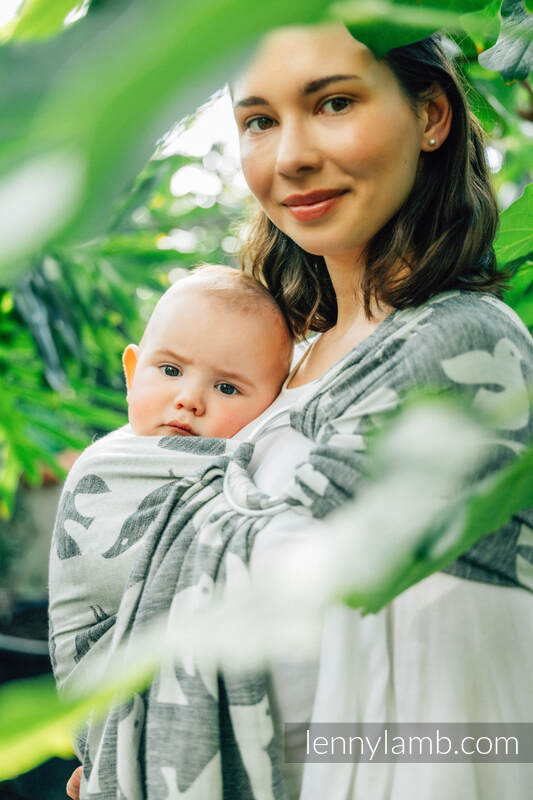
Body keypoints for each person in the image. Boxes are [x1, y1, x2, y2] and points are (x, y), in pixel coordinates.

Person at [62, 22, 532, 800]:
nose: (290, 157)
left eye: (334, 103)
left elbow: (440, 694)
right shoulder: (285, 363)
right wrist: (130, 748)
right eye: (258, 121)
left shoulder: (461, 353)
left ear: (430, 115)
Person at [121, 263, 293, 439]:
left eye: (226, 388)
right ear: (132, 375)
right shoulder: (106, 455)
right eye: (170, 370)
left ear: (272, 406)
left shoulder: (245, 464)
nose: (189, 400)